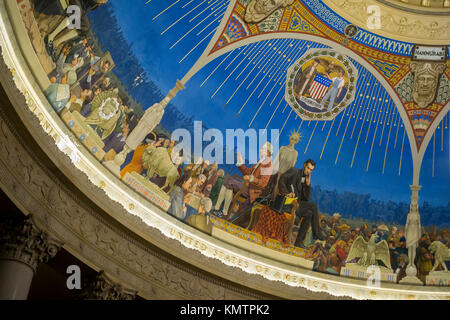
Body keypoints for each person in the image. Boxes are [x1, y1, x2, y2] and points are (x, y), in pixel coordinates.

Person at [278, 159, 327, 249]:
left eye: (311, 170)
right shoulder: (294, 171)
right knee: (313, 206)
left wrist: (308, 185)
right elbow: (281, 180)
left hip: (297, 206)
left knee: (309, 213)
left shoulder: (305, 179)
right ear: (304, 165)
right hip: (287, 203)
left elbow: (306, 199)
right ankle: (317, 233)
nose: (308, 171)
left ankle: (299, 242)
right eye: (308, 168)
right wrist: (286, 193)